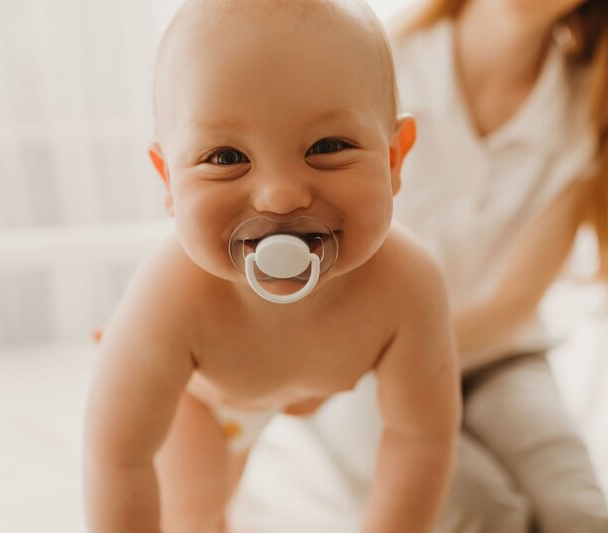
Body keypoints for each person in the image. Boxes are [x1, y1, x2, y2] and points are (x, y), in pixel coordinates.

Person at [84, 0, 461, 532]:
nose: (281, 196)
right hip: (199, 402)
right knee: (197, 509)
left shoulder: (408, 286)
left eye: (328, 146)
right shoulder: (170, 297)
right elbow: (117, 458)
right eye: (225, 157)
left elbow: (421, 438)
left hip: (301, 394)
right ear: (168, 181)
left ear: (395, 158)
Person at [308, 0, 608, 531]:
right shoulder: (374, 61)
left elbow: (513, 303)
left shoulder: (586, 107)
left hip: (500, 359)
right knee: (487, 512)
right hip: (364, 366)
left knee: (579, 513)